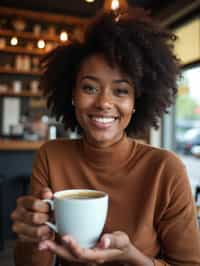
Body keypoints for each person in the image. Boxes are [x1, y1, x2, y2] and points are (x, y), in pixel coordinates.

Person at [11, 7, 200, 266]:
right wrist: (31, 236)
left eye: (120, 91)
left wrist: (133, 258)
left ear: (136, 102)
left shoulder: (165, 170)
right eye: (90, 88)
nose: (104, 103)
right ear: (72, 94)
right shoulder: (51, 156)